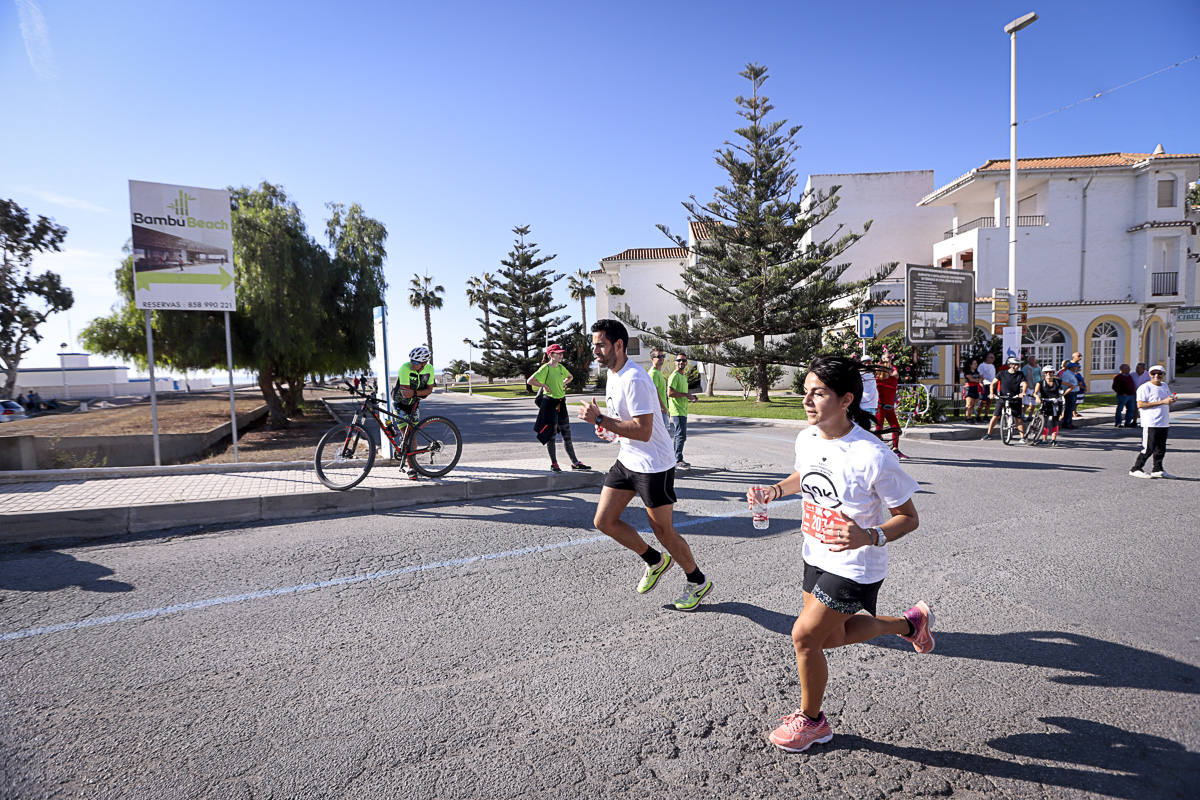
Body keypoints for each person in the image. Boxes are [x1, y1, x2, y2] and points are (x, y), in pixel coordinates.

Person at [747, 355, 928, 754]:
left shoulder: (874, 454)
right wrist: (773, 491)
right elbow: (806, 476)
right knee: (831, 639)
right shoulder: (806, 438)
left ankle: (813, 722)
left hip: (856, 564)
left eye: (819, 393)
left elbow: (908, 518)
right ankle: (909, 625)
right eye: (806, 392)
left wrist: (869, 535)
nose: (808, 401)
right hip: (815, 553)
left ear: (846, 399)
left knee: (804, 637)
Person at [578, 319, 713, 611]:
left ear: (618, 345)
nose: (596, 351)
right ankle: (654, 560)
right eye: (594, 345)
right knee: (603, 521)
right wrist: (608, 429)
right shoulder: (614, 375)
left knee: (663, 531)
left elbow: (643, 430)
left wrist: (600, 419)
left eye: (600, 344)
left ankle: (698, 581)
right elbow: (624, 424)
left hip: (654, 464)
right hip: (627, 459)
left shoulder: (635, 379)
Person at [528, 343, 589, 472]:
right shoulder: (546, 368)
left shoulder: (561, 367)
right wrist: (544, 385)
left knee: (567, 435)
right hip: (550, 405)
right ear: (551, 355)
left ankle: (575, 462)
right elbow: (530, 380)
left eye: (562, 353)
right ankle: (554, 464)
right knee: (551, 436)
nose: (561, 355)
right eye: (558, 353)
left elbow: (570, 377)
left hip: (562, 404)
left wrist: (564, 382)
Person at [394, 346, 437, 479]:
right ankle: (411, 467)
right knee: (405, 433)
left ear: (424, 363)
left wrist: (415, 393)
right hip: (400, 403)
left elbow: (429, 390)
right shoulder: (405, 368)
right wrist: (417, 393)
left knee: (412, 435)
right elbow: (406, 394)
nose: (413, 364)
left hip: (415, 403)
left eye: (416, 363)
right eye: (412, 361)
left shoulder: (430, 369)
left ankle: (411, 464)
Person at [1129, 365, 1177, 479]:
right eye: (1153, 373)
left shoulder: (1164, 386)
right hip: (1151, 422)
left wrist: (1171, 400)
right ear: (1149, 374)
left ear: (1163, 375)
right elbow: (1140, 404)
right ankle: (1136, 468)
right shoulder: (1145, 388)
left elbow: (1166, 400)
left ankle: (1158, 469)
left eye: (1159, 373)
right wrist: (1163, 402)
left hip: (1163, 421)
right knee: (1148, 447)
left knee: (1161, 448)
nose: (1156, 376)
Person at [983, 357, 1027, 441]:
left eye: (1018, 364)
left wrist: (1023, 392)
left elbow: (1024, 383)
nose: (1018, 366)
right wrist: (992, 393)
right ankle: (988, 434)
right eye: (1016, 364)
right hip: (1002, 398)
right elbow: (993, 384)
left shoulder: (1020, 374)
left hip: (1015, 398)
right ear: (1010, 365)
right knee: (995, 416)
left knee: (1018, 418)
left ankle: (1022, 437)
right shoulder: (1002, 373)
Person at [667, 354, 698, 469]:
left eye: (684, 360)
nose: (681, 362)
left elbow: (682, 394)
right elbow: (669, 393)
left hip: (682, 410)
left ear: (686, 362)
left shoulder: (683, 376)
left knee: (680, 435)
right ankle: (677, 460)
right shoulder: (674, 376)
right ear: (675, 362)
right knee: (680, 435)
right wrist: (686, 395)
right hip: (677, 410)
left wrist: (691, 397)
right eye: (679, 360)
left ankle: (674, 459)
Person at [874, 359, 906, 459]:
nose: (890, 370)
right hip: (880, 407)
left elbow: (896, 373)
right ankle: (877, 450)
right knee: (879, 429)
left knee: (896, 427)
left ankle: (895, 449)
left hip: (890, 408)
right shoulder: (877, 380)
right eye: (887, 369)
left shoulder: (894, 379)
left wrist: (889, 369)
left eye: (890, 368)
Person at [1033, 365, 1066, 447]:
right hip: (1045, 403)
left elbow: (1072, 386)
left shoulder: (1058, 381)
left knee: (1055, 421)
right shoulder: (1040, 383)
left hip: (1056, 403)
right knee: (1045, 421)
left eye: (1050, 372)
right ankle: (1044, 439)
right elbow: (1035, 393)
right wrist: (1037, 397)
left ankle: (1053, 440)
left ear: (1053, 373)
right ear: (1044, 373)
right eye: (1046, 372)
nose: (1048, 374)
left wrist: (1063, 394)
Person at [647, 349, 674, 435]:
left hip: (662, 410)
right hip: (658, 411)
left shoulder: (658, 373)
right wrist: (663, 408)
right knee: (662, 438)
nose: (662, 358)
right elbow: (654, 393)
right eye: (659, 356)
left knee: (664, 437)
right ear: (652, 359)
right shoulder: (653, 373)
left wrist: (667, 409)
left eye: (663, 356)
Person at [1111, 364, 1137, 429]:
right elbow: (1115, 387)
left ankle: (1127, 423)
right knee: (1120, 409)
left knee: (1131, 409)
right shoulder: (1118, 377)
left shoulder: (1129, 376)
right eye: (1127, 368)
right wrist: (1122, 393)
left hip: (1131, 395)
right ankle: (1118, 423)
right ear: (1122, 369)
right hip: (1123, 396)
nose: (1129, 369)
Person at [1058, 361, 1080, 429]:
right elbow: (1064, 384)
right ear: (1071, 368)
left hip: (1073, 392)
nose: (1076, 368)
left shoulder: (1072, 373)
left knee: (1071, 408)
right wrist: (1066, 391)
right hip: (1070, 392)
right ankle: (1067, 423)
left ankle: (1069, 422)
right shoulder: (1067, 374)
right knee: (1069, 408)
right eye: (1075, 367)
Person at [1021, 355, 1041, 421]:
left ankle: (1030, 416)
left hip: (1036, 387)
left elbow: (1040, 376)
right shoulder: (1025, 368)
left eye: (1034, 359)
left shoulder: (1038, 367)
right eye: (1031, 359)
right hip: (1028, 387)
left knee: (1034, 403)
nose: (1033, 361)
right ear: (1028, 360)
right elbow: (1022, 377)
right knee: (1026, 403)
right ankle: (1023, 415)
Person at [977, 353, 997, 418]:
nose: (993, 359)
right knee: (983, 401)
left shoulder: (992, 366)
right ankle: (978, 415)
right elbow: (980, 375)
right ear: (987, 358)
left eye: (993, 357)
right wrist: (985, 381)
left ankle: (986, 415)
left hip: (991, 385)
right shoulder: (982, 365)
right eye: (991, 357)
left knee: (989, 401)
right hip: (985, 385)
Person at [859, 355, 878, 424]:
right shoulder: (858, 375)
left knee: (867, 429)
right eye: (865, 363)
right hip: (863, 405)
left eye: (869, 363)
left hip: (872, 405)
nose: (867, 364)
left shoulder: (872, 373)